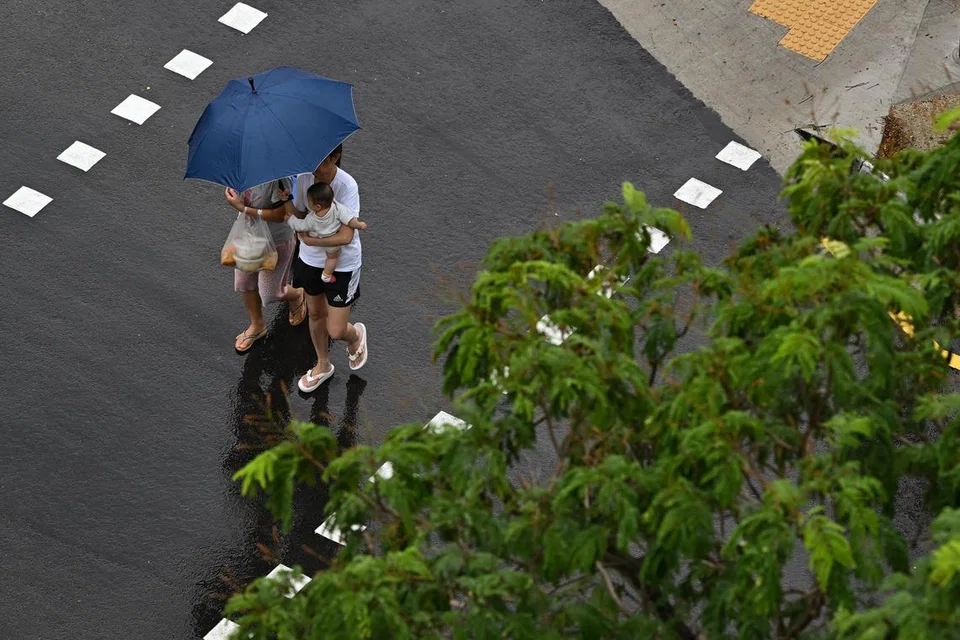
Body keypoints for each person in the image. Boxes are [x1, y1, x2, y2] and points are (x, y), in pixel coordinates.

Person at [225, 145, 368, 392]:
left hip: (342, 264)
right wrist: (287, 201)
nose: (313, 168)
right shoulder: (304, 178)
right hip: (310, 261)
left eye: (320, 162)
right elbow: (299, 214)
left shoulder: (347, 186)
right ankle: (322, 364)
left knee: (335, 330)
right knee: (315, 315)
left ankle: (354, 335)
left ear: (335, 157)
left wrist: (312, 240)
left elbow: (346, 236)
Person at [227, 179, 306, 353]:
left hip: (276, 241)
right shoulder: (240, 173)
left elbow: (281, 214)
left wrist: (243, 208)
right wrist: (232, 195)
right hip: (248, 236)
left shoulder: (279, 180)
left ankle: (296, 295)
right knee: (244, 283)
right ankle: (257, 325)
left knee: (270, 293)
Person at [286, 182, 367, 283]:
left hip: (318, 238)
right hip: (334, 241)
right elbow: (350, 220)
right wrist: (360, 225)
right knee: (332, 258)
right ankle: (327, 275)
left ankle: (326, 276)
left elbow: (300, 225)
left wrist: (291, 220)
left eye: (309, 201)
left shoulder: (311, 219)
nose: (308, 203)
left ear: (318, 206)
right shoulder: (337, 208)